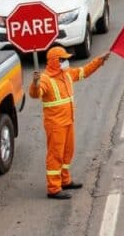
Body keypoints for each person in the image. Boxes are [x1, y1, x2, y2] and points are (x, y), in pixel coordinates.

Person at [29, 46, 109, 199]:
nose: (66, 62)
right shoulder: (45, 79)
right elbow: (35, 94)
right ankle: (53, 188)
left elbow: (84, 71)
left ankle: (64, 180)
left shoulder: (66, 74)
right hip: (55, 124)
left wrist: (100, 60)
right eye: (63, 59)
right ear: (54, 61)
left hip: (68, 121)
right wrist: (35, 83)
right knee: (55, 155)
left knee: (67, 152)